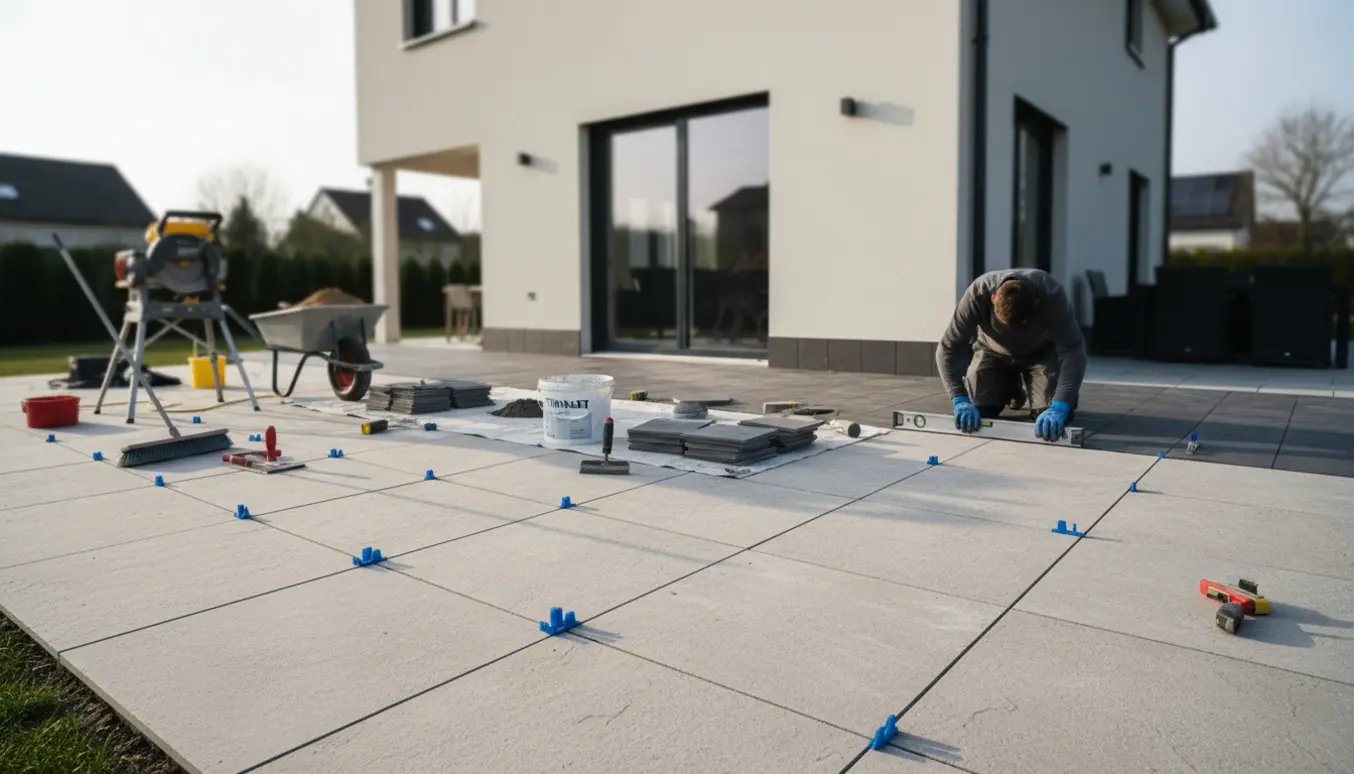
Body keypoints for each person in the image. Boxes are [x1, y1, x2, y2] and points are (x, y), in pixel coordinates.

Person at [935, 268, 1087, 442]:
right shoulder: (977, 294)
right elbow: (947, 347)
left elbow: (1073, 350)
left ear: (1037, 303)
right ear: (992, 299)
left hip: (1040, 354)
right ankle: (1010, 386)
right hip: (992, 352)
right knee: (980, 411)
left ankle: (1042, 393)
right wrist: (959, 398)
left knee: (1045, 417)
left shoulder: (1051, 295)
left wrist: (1061, 403)